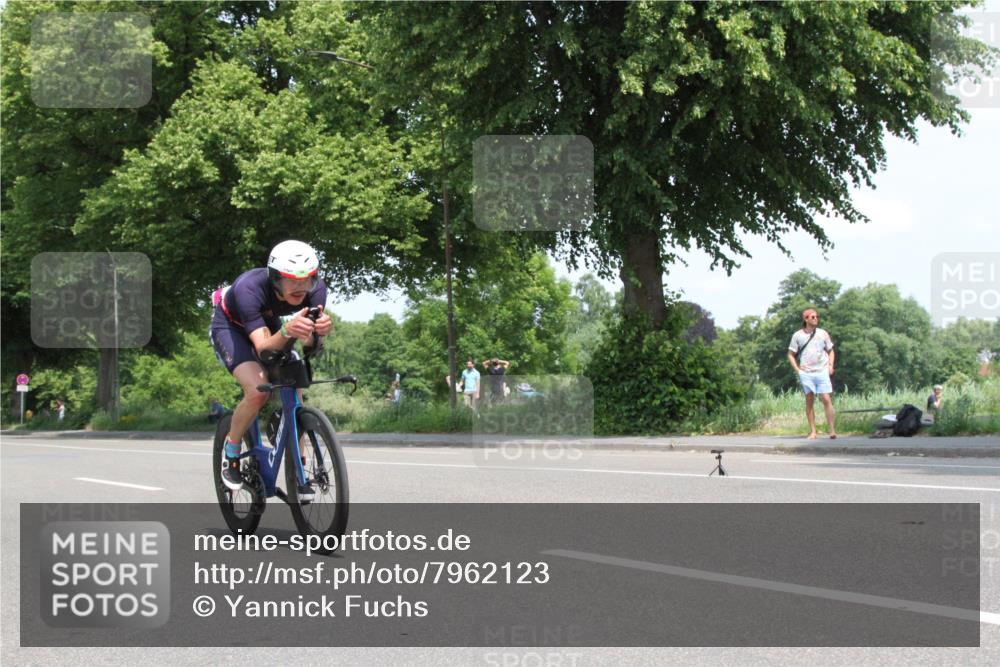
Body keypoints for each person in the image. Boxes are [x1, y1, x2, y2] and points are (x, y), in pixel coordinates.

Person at [209, 240, 332, 496]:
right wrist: (288, 330)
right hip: (231, 328)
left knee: (295, 377)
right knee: (257, 390)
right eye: (292, 280)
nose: (301, 287)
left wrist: (317, 334)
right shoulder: (248, 288)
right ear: (276, 278)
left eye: (307, 279)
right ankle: (231, 454)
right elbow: (265, 348)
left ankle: (299, 468)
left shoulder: (316, 290)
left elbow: (312, 347)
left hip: (266, 322)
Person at [787, 308, 837, 439]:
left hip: (822, 370)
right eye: (812, 317)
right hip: (806, 372)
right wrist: (798, 370)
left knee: (826, 398)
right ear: (806, 319)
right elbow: (790, 354)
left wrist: (831, 365)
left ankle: (832, 430)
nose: (816, 319)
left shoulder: (823, 333)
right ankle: (813, 431)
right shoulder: (797, 335)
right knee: (809, 400)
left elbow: (831, 350)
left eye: (816, 317)